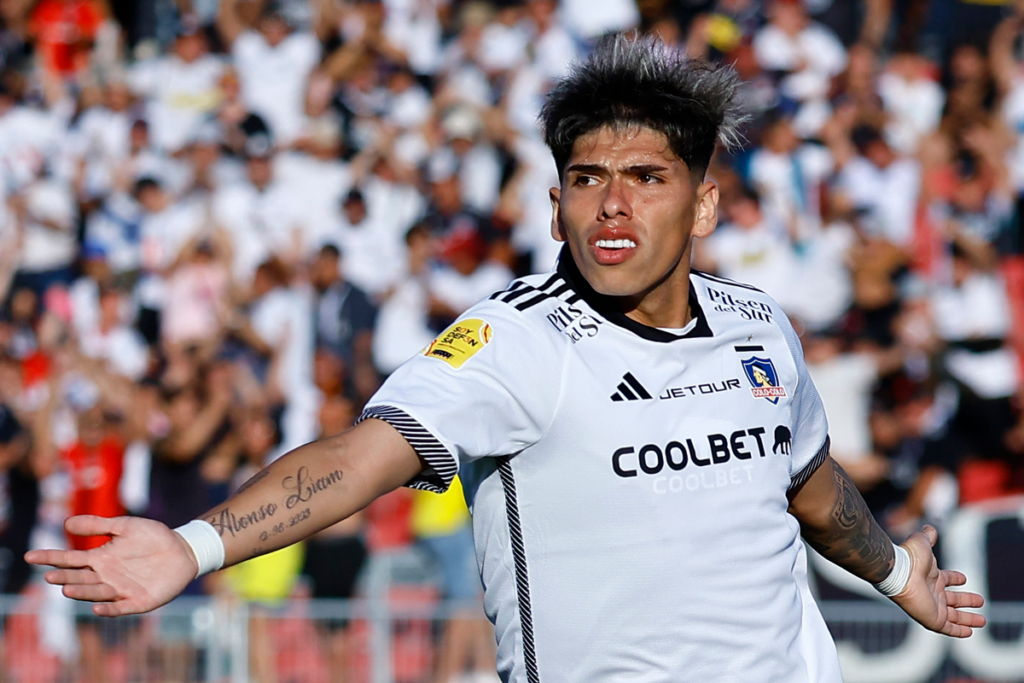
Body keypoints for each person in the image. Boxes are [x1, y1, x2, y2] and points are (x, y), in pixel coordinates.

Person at [27, 36, 985, 683]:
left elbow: (810, 483)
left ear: (704, 206)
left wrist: (902, 576)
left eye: (647, 179)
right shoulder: (516, 338)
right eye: (587, 180)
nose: (612, 205)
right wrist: (193, 546)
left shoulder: (759, 324)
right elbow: (359, 458)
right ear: (555, 205)